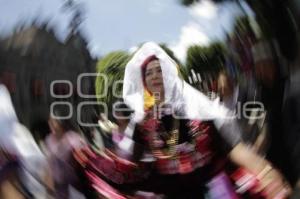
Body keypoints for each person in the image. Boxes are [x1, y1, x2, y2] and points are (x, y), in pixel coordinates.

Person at [117, 42, 290, 198]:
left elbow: (231, 146)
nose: (155, 76)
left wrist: (263, 170)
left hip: (213, 189)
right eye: (149, 73)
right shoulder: (142, 121)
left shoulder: (197, 106)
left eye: (160, 70)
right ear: (144, 82)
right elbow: (133, 165)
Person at [44, 109, 94, 199]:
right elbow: (49, 163)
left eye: (54, 121)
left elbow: (86, 160)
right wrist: (48, 185)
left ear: (61, 122)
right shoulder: (49, 139)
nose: (51, 124)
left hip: (75, 187)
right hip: (58, 188)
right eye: (50, 121)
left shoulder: (74, 139)